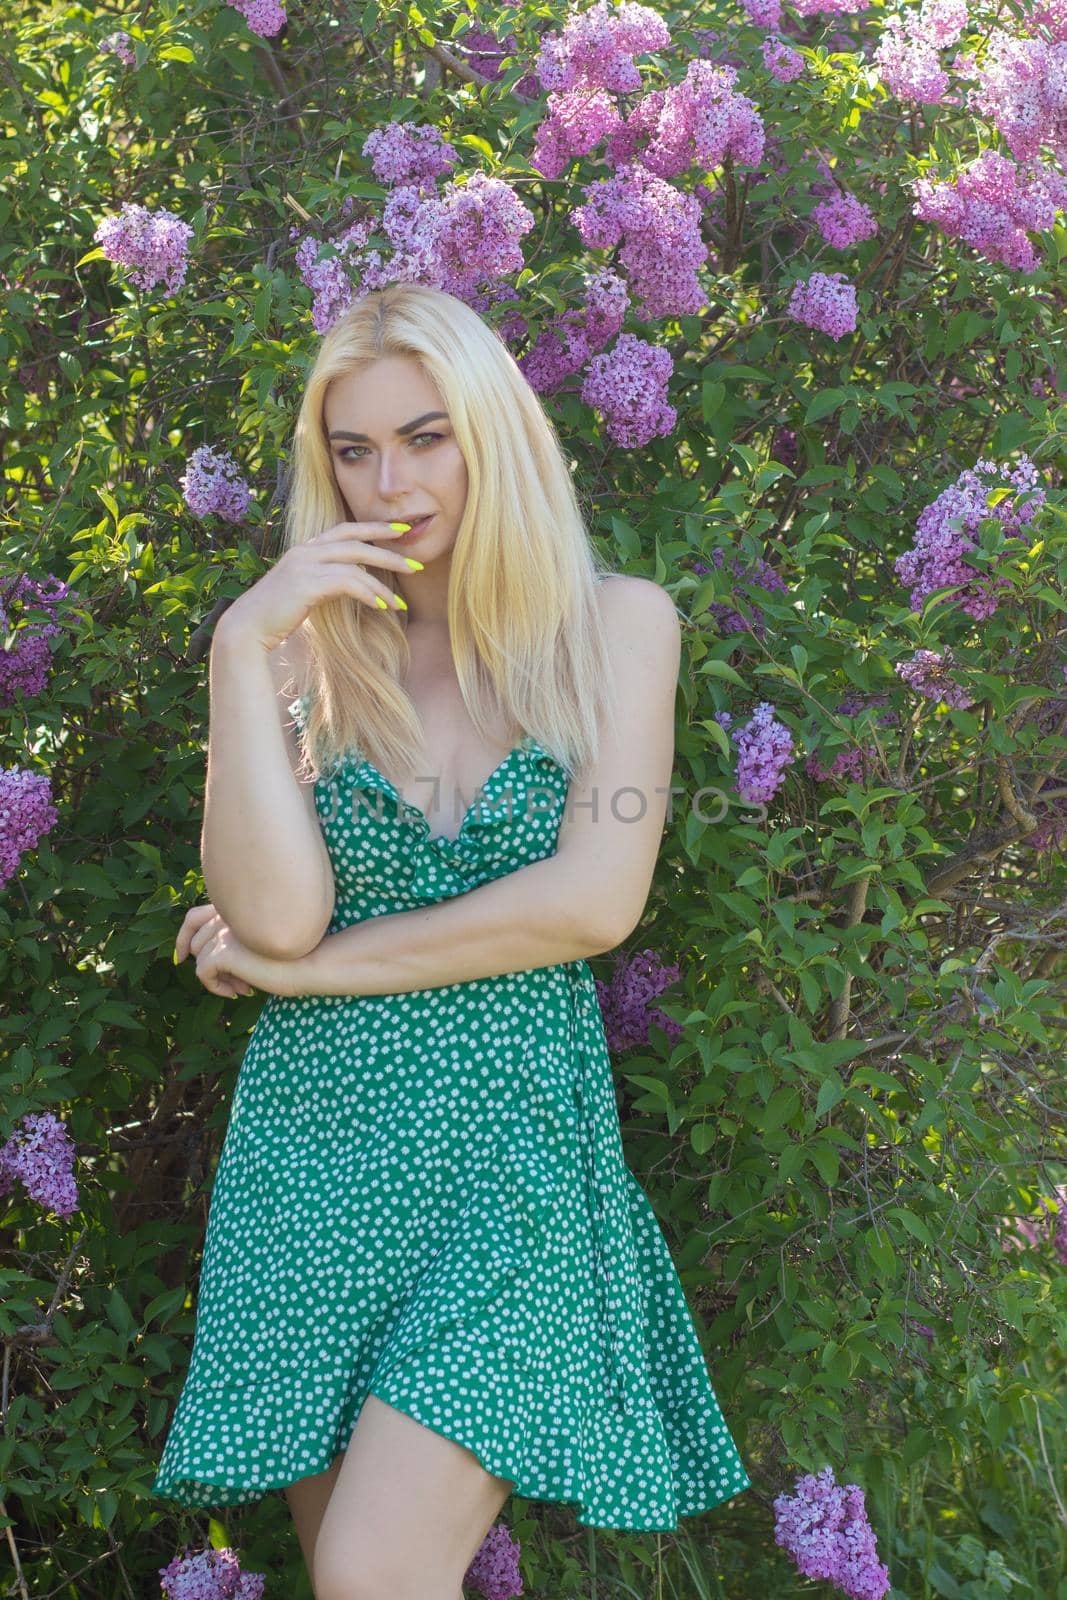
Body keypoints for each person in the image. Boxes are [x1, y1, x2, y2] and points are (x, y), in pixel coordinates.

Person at [151, 282, 750, 1599]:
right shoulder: (307, 656)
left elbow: (592, 903)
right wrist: (240, 647)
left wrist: (299, 975)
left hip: (513, 1169)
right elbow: (275, 912)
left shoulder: (615, 629)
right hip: (317, 1167)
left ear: (495, 433)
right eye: (352, 450)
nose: (390, 483)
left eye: (426, 438)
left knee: (373, 1574)